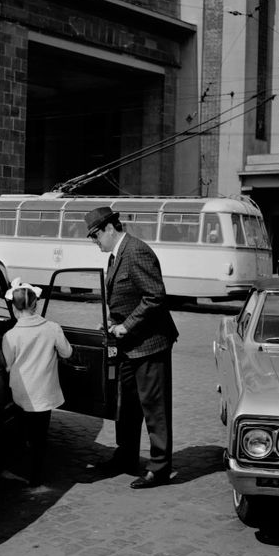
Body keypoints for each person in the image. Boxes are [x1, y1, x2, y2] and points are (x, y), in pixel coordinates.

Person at [85, 206, 179, 489]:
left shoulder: (136, 251)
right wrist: (113, 321)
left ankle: (159, 467)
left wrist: (127, 326)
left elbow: (155, 297)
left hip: (149, 345)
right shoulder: (115, 256)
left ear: (109, 229)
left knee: (154, 407)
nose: (94, 242)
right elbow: (127, 296)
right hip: (128, 345)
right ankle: (126, 456)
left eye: (95, 236)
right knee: (126, 405)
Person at [1, 278, 72, 488]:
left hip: (21, 393)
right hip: (44, 392)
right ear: (35, 304)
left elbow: (7, 364)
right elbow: (67, 352)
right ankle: (36, 475)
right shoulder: (52, 328)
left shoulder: (11, 335)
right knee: (41, 434)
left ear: (14, 309)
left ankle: (20, 464)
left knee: (23, 430)